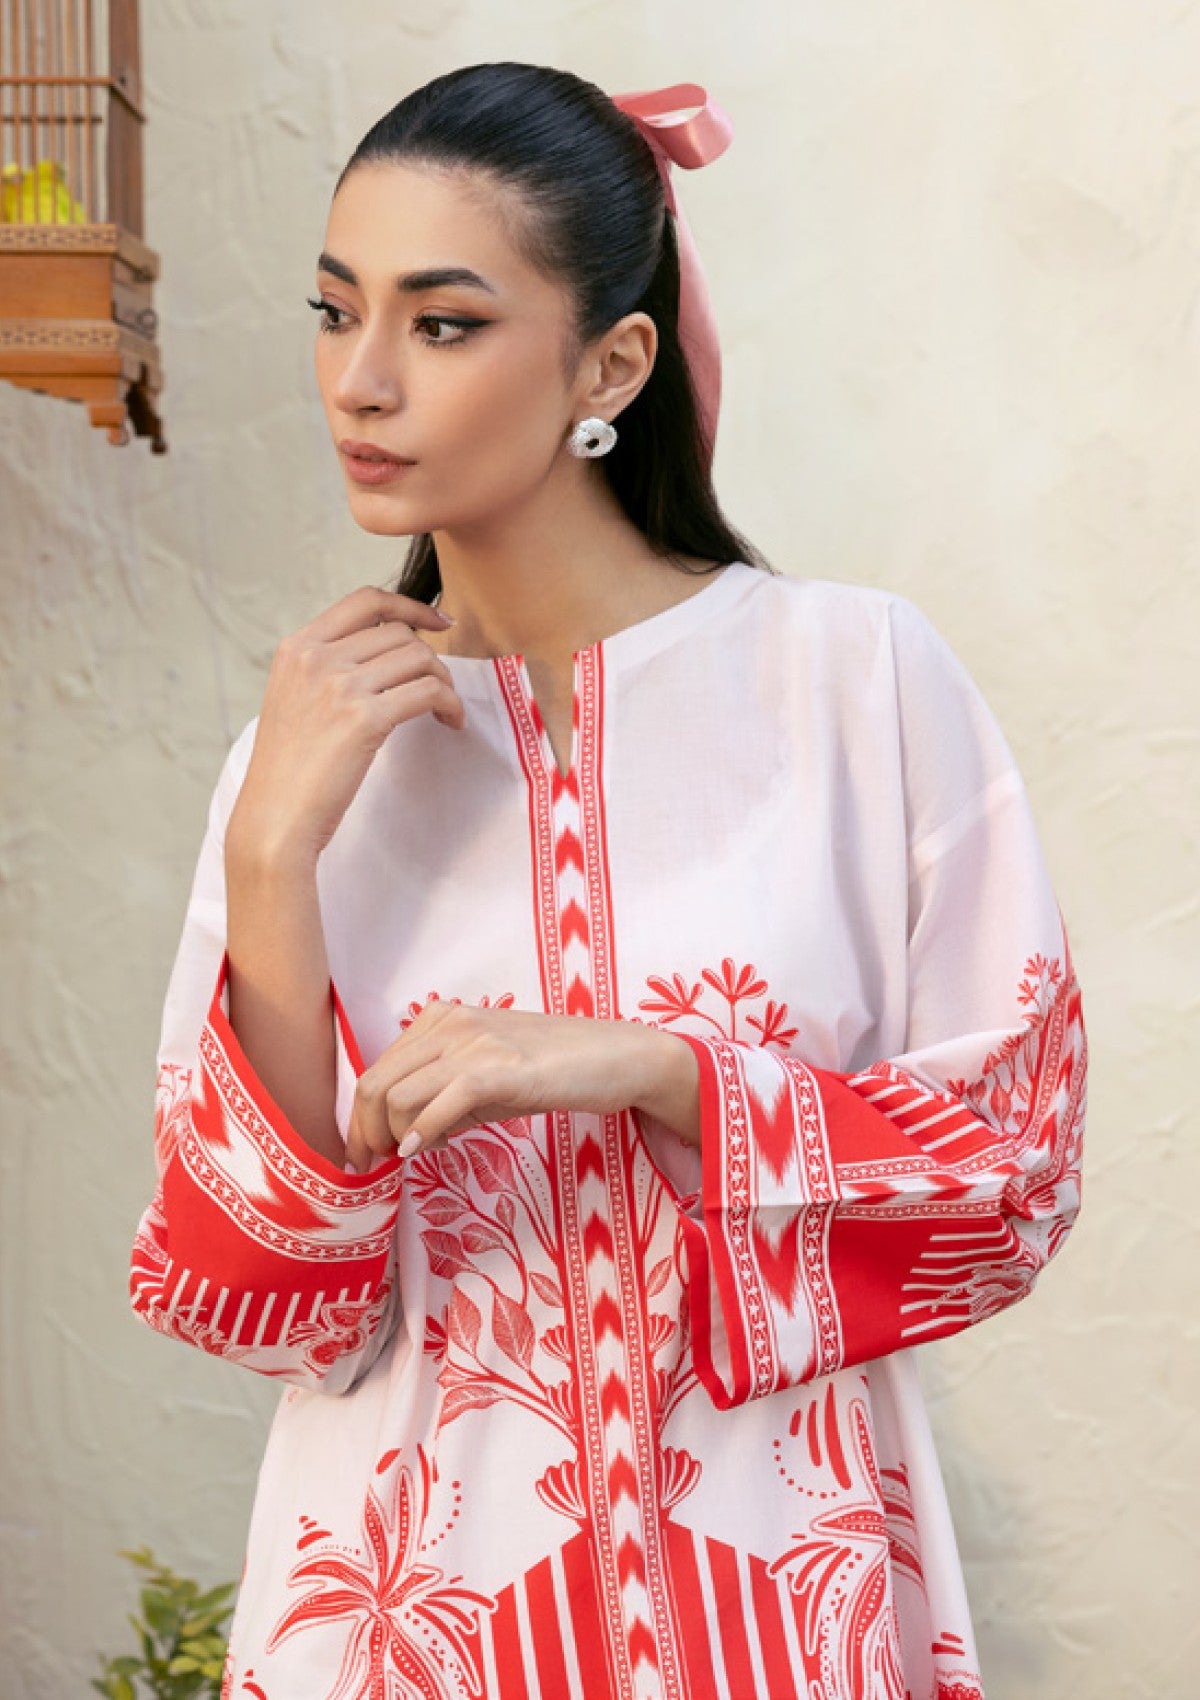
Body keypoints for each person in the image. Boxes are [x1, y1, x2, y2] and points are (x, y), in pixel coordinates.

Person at [129, 61, 1086, 1700]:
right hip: (409, 1620)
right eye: (334, 312)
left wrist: (659, 1071)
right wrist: (271, 854)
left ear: (613, 364)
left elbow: (1015, 1176)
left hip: (777, 1611)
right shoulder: (303, 760)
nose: (361, 381)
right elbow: (266, 1308)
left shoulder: (854, 684)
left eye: (443, 324)